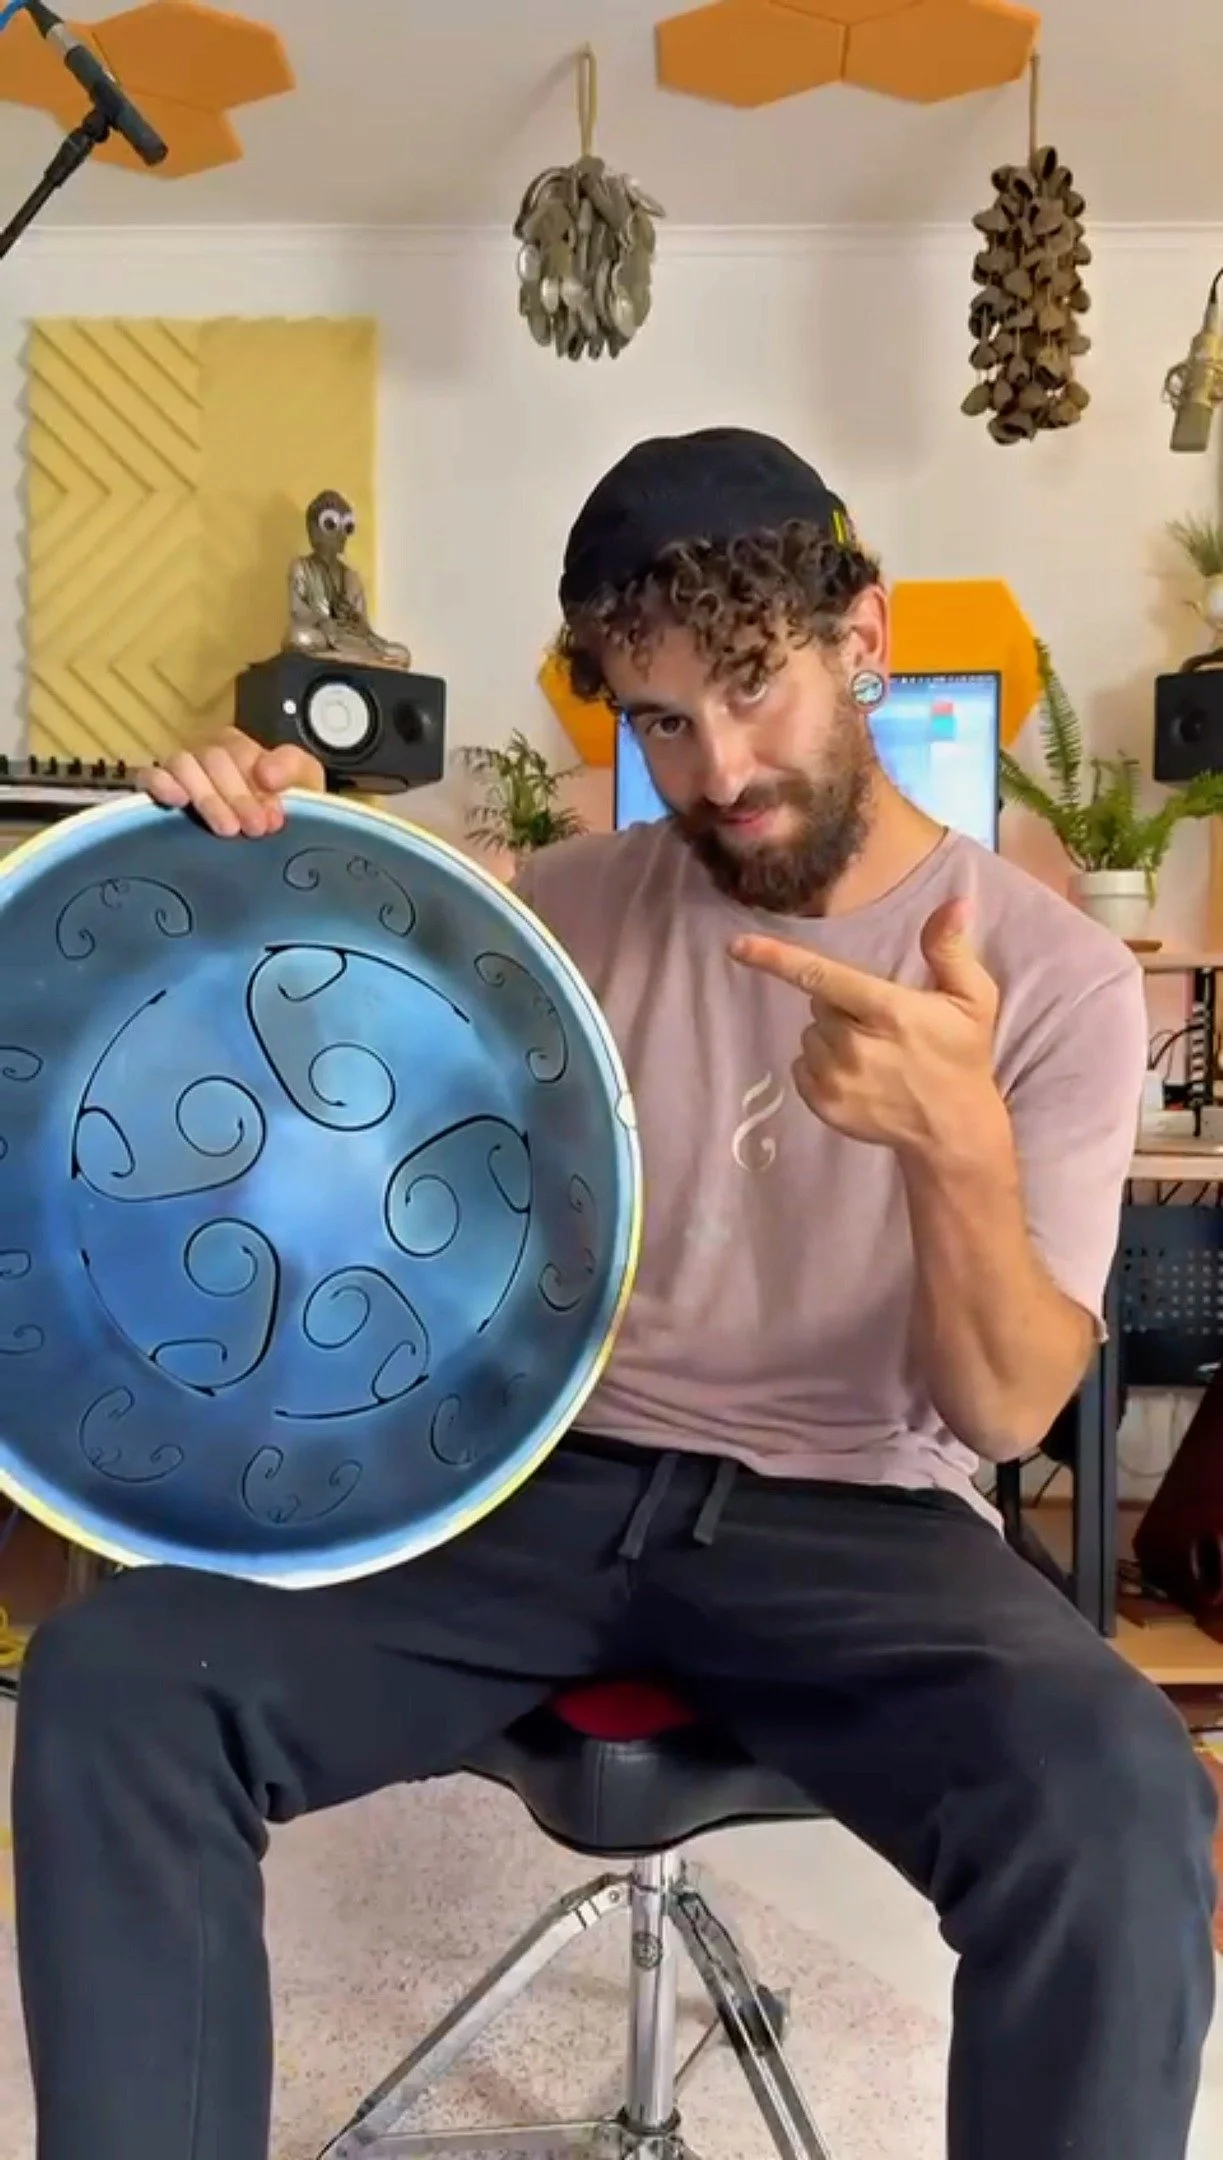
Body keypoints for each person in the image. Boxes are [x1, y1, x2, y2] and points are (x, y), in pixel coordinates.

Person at [13, 428, 1217, 2160]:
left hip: (853, 1520)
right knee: (121, 1676)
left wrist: (952, 1147)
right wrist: (242, 843)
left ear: (861, 638)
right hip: (530, 1482)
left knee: (1116, 1797)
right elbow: (304, 1068)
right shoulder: (560, 912)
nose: (716, 769)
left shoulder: (1054, 978)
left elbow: (1010, 1406)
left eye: (752, 687)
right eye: (659, 722)